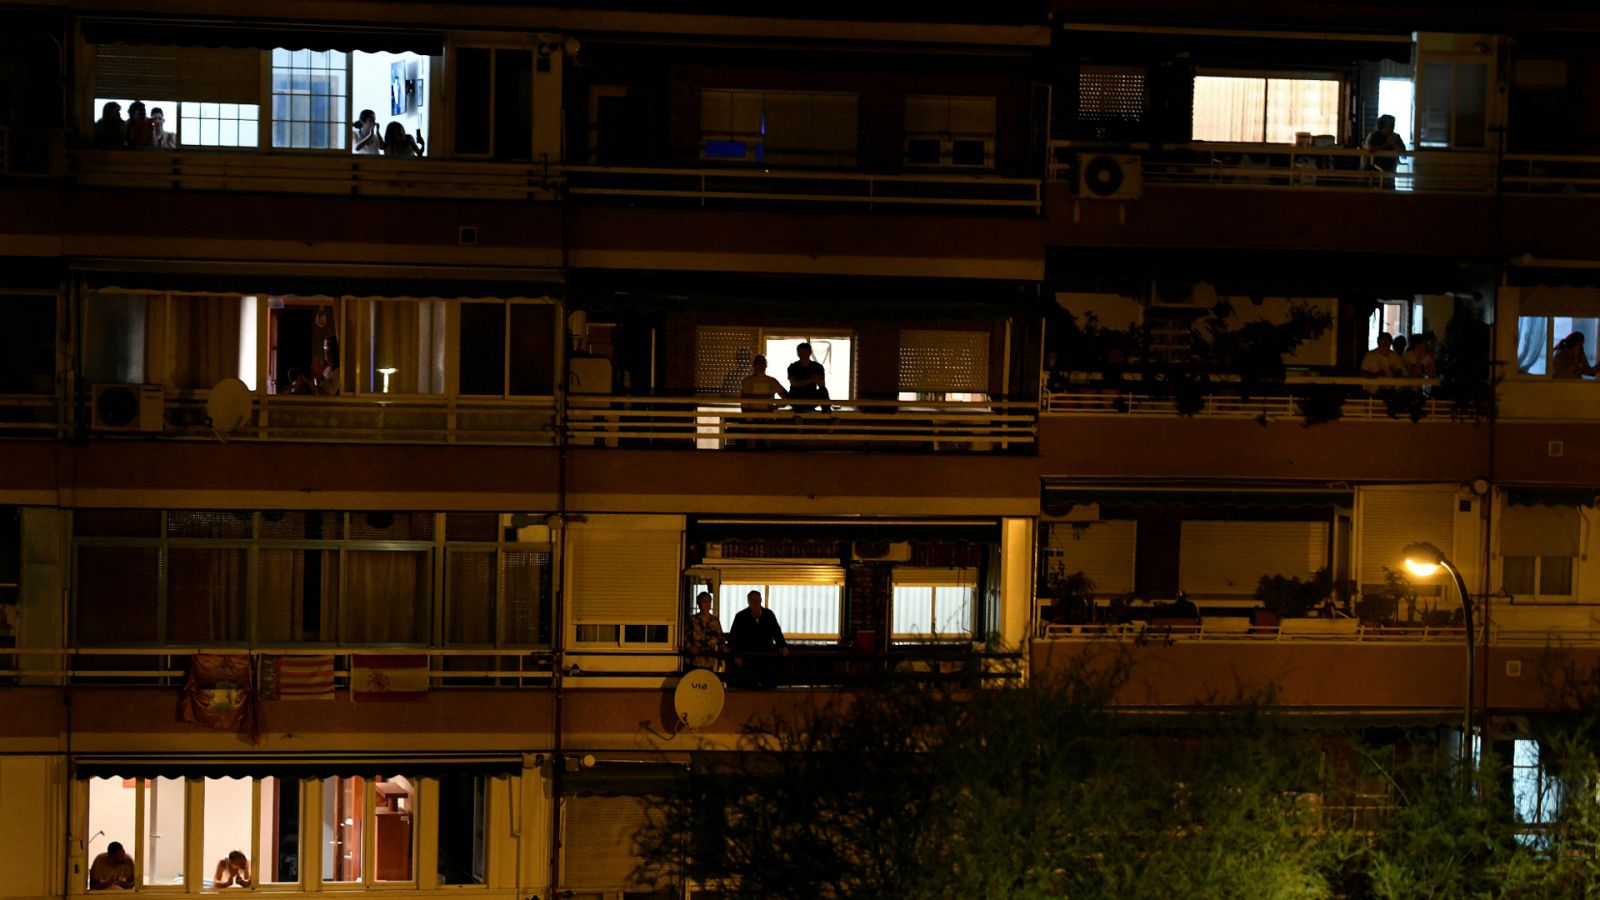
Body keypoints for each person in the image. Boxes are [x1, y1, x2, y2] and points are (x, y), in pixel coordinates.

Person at [727, 590, 789, 688]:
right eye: (752, 600)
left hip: (766, 655)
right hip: (748, 656)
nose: (755, 602)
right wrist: (736, 654)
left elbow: (777, 633)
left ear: (761, 601)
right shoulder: (741, 616)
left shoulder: (769, 615)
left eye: (757, 600)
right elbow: (733, 638)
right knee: (748, 685)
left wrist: (783, 646)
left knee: (768, 685)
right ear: (748, 602)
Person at [738, 354, 789, 447]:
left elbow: (786, 397)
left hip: (767, 417)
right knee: (751, 442)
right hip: (752, 417)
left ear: (766, 365)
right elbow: (743, 402)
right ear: (754, 365)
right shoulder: (747, 381)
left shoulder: (772, 381)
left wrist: (775, 406)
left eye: (763, 363)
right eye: (759, 363)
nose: (761, 365)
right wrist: (747, 417)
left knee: (767, 443)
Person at [683, 591, 726, 671]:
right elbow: (684, 637)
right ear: (698, 604)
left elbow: (720, 638)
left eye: (709, 601)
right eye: (704, 601)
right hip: (694, 661)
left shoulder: (715, 621)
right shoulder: (692, 620)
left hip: (709, 660)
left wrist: (725, 650)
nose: (707, 604)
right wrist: (690, 647)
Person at [1365, 114, 1406, 187]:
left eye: (1393, 124)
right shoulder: (1375, 135)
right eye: (1390, 124)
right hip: (1376, 171)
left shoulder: (1396, 137)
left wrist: (1394, 144)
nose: (1393, 127)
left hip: (1391, 172)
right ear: (1383, 125)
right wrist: (1386, 144)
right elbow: (1370, 148)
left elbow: (1404, 155)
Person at [786, 342, 829, 413]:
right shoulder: (793, 367)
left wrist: (814, 380)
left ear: (810, 353)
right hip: (797, 397)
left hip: (811, 396)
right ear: (798, 353)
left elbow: (821, 385)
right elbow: (795, 384)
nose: (803, 354)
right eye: (800, 352)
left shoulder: (817, 367)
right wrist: (811, 380)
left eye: (805, 352)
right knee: (795, 394)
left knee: (823, 391)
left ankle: (827, 413)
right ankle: (798, 417)